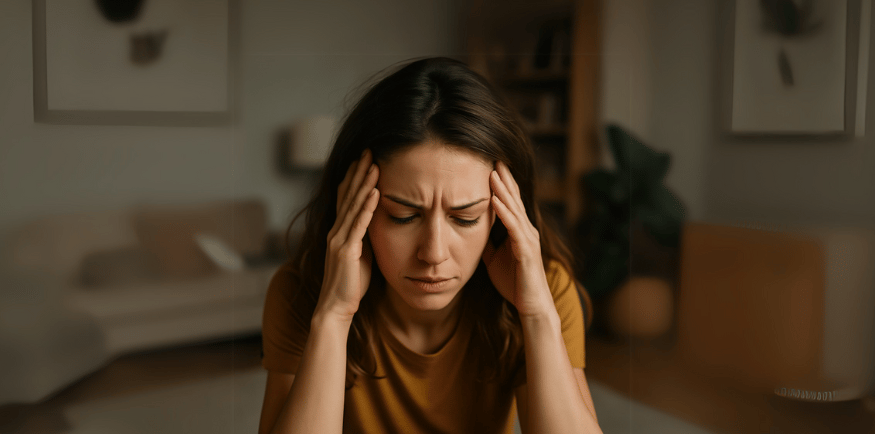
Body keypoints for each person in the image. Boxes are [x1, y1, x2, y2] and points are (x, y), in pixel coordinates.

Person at [258, 57, 602, 434]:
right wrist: (333, 316)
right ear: (354, 207)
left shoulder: (541, 289)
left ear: (504, 216)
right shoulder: (301, 290)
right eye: (403, 216)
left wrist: (536, 315)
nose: (434, 253)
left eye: (466, 218)